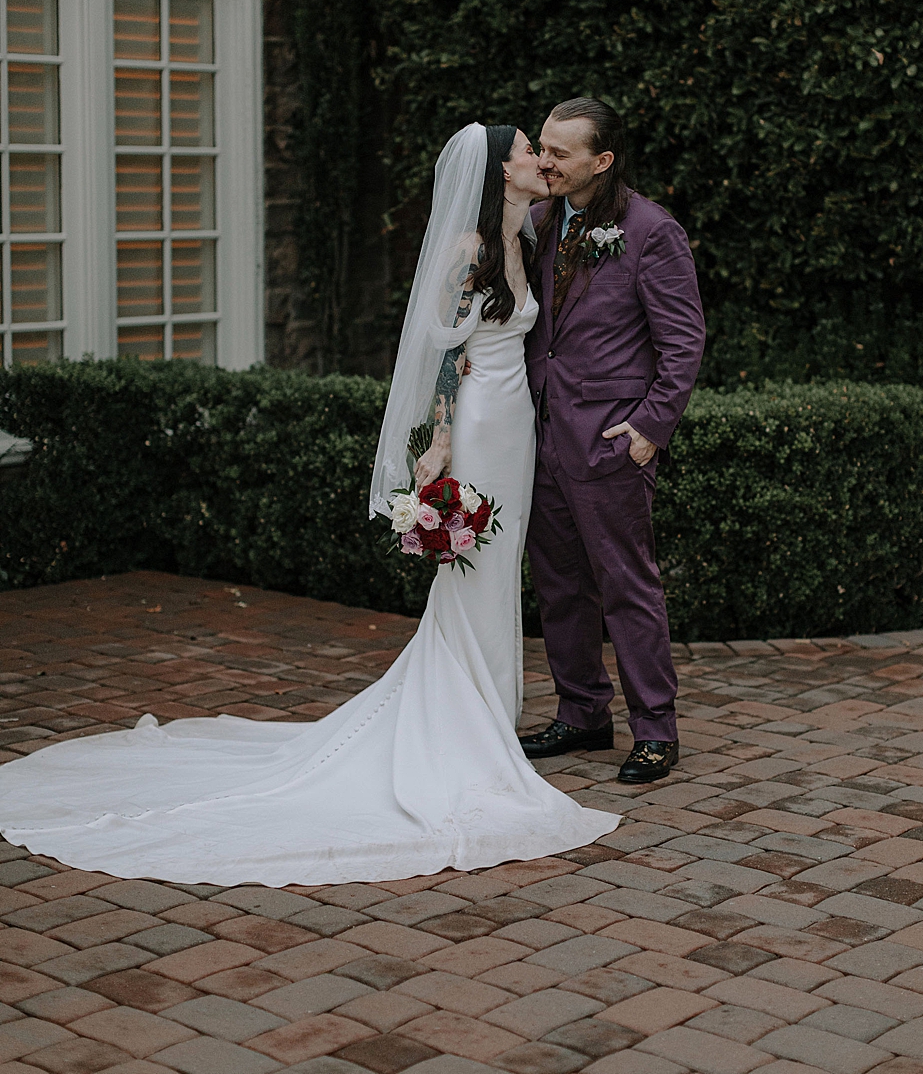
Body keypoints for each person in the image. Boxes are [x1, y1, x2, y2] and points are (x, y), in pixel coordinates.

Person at [0, 124, 619, 885]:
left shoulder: (527, 234)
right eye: (528, 149)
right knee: (473, 569)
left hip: (519, 422)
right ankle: (471, 730)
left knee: (500, 570)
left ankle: (484, 715)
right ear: (500, 169)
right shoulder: (467, 252)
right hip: (484, 426)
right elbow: (440, 352)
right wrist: (442, 438)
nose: (539, 159)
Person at [515, 98, 706, 785]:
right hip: (540, 435)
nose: (544, 161)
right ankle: (582, 711)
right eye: (541, 146)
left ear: (602, 161)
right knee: (560, 585)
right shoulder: (534, 222)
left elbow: (683, 341)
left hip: (609, 441)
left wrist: (650, 430)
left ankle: (655, 729)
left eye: (559, 152)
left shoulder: (651, 230)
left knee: (628, 587)